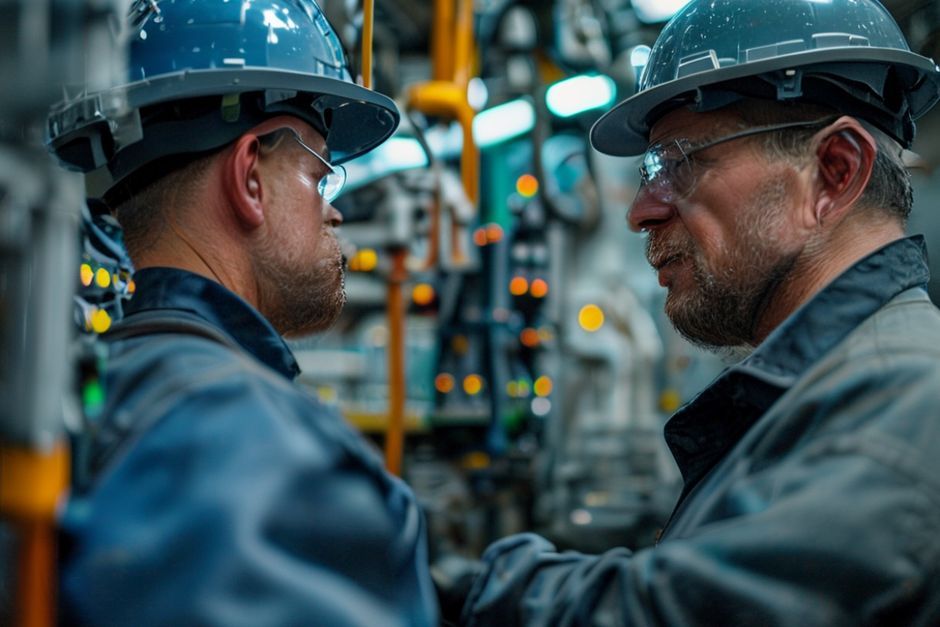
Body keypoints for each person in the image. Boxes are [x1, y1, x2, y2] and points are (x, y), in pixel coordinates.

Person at [452, 0, 940, 624]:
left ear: (834, 171)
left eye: (680, 162)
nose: (641, 211)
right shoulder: (811, 396)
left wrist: (430, 575)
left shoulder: (903, 402)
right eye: (649, 168)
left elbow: (684, 612)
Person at [47, 1, 436, 625]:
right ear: (250, 177)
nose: (334, 214)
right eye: (320, 177)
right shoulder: (258, 448)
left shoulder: (97, 391)